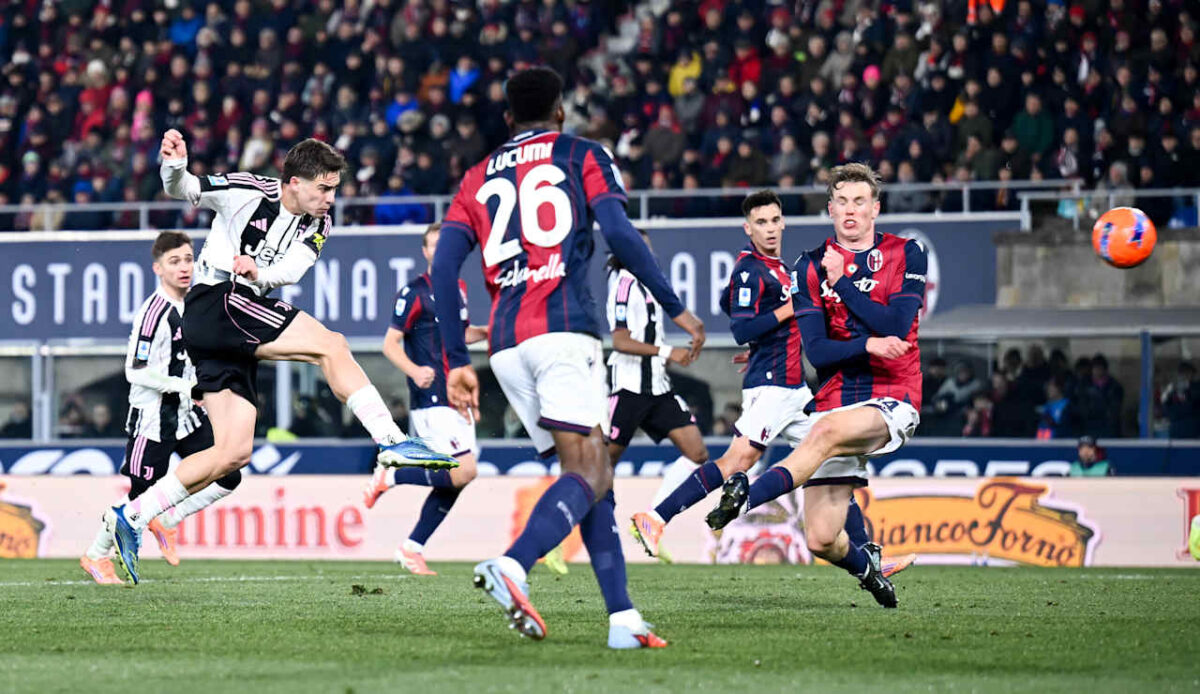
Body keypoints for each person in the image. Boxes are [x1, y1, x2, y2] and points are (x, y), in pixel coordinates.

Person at [431, 67, 705, 648]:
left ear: (507, 118)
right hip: (563, 333)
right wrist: (674, 306)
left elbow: (443, 267)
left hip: (506, 346)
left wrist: (456, 359)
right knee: (591, 470)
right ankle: (514, 563)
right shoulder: (582, 153)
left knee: (589, 472)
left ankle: (623, 619)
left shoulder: (476, 177)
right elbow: (621, 234)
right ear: (560, 112)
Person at [106, 132, 457, 585]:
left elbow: (293, 270)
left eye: (334, 189)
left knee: (232, 453)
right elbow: (185, 189)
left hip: (234, 314)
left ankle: (132, 515)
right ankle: (390, 439)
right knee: (332, 345)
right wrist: (174, 166)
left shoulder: (320, 222)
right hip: (218, 300)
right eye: (323, 189)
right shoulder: (248, 190)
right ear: (293, 182)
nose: (331, 199)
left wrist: (262, 272)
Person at [628, 189, 912, 583]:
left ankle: (868, 555)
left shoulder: (778, 269)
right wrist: (782, 315)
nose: (770, 228)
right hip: (772, 386)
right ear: (749, 228)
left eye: (775, 220)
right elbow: (741, 327)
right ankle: (655, 517)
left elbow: (729, 302)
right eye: (761, 222)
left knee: (831, 462)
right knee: (736, 462)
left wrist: (766, 342)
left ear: (783, 222)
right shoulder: (750, 268)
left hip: (795, 390)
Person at [705, 163, 924, 609]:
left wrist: (843, 283)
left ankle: (746, 495)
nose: (851, 209)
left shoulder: (907, 253)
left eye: (859, 201)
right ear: (830, 209)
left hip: (894, 394)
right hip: (835, 399)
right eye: (842, 201)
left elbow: (898, 326)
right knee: (822, 539)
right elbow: (819, 353)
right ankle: (869, 570)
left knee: (821, 433)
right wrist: (868, 343)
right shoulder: (807, 266)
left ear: (875, 209)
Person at [80, 232, 243, 585]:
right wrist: (187, 386)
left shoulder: (194, 303)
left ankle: (168, 520)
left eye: (188, 259)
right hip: (153, 419)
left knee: (229, 471)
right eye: (174, 262)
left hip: (186, 416)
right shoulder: (154, 313)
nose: (184, 267)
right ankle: (95, 556)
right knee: (139, 501)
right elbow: (134, 370)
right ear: (158, 269)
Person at [362, 222, 489, 576]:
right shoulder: (414, 291)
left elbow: (461, 334)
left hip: (456, 393)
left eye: (445, 245)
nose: (440, 250)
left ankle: (412, 547)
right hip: (432, 394)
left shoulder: (458, 289)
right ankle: (392, 474)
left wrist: (490, 333)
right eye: (434, 245)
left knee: (461, 476)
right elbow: (390, 344)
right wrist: (415, 371)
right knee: (464, 470)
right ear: (426, 251)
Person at [606, 229, 709, 564]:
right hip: (628, 387)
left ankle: (650, 520)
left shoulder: (651, 284)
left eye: (649, 249)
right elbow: (620, 341)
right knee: (602, 466)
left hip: (658, 388)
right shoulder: (623, 284)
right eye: (641, 249)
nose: (648, 255)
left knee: (697, 452)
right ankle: (562, 533)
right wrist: (667, 351)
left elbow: (661, 324)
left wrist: (685, 340)